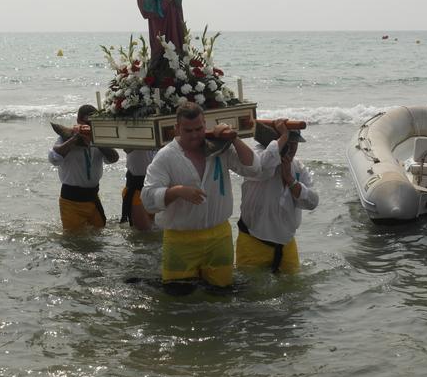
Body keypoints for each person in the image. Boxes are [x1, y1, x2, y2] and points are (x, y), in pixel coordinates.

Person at [142, 102, 260, 289]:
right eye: (188, 131)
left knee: (222, 293)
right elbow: (148, 199)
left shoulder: (219, 148)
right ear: (176, 129)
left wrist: (234, 138)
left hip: (219, 237)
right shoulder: (166, 156)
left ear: (205, 124)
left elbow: (253, 168)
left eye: (199, 128)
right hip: (181, 240)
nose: (195, 135)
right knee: (179, 296)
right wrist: (177, 191)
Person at [237, 119, 319, 275]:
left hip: (286, 243)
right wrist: (283, 136)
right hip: (254, 241)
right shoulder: (257, 156)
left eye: (295, 143)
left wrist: (291, 180)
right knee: (250, 294)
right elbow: (263, 167)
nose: (291, 148)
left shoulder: (297, 167)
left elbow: (313, 202)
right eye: (288, 142)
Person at [48, 105, 119, 231]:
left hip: (93, 198)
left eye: (93, 122)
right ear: (79, 121)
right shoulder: (65, 138)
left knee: (99, 235)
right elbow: (54, 158)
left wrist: (95, 141)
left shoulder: (99, 139)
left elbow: (113, 158)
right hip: (71, 201)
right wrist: (75, 139)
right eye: (86, 122)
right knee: (74, 241)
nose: (89, 125)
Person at [121, 149, 157, 231]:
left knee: (157, 229)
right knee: (144, 231)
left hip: (157, 187)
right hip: (136, 189)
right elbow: (126, 148)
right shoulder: (136, 138)